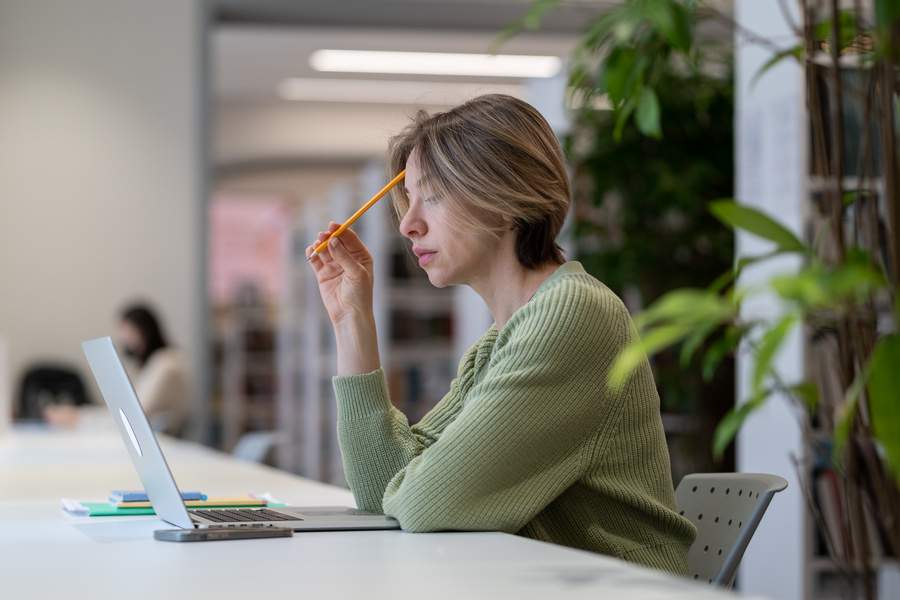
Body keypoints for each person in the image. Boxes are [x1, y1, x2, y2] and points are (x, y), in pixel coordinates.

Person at [306, 94, 696, 575]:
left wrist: (415, 484)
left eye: (433, 195)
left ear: (505, 198)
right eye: (409, 199)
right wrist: (352, 321)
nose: (408, 224)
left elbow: (427, 507)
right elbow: (381, 490)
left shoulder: (572, 314)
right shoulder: (503, 338)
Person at [45, 303, 189, 434]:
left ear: (142, 331)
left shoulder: (166, 366)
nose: (123, 338)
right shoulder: (151, 365)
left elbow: (133, 417)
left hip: (165, 444)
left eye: (127, 331)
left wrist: (78, 418)